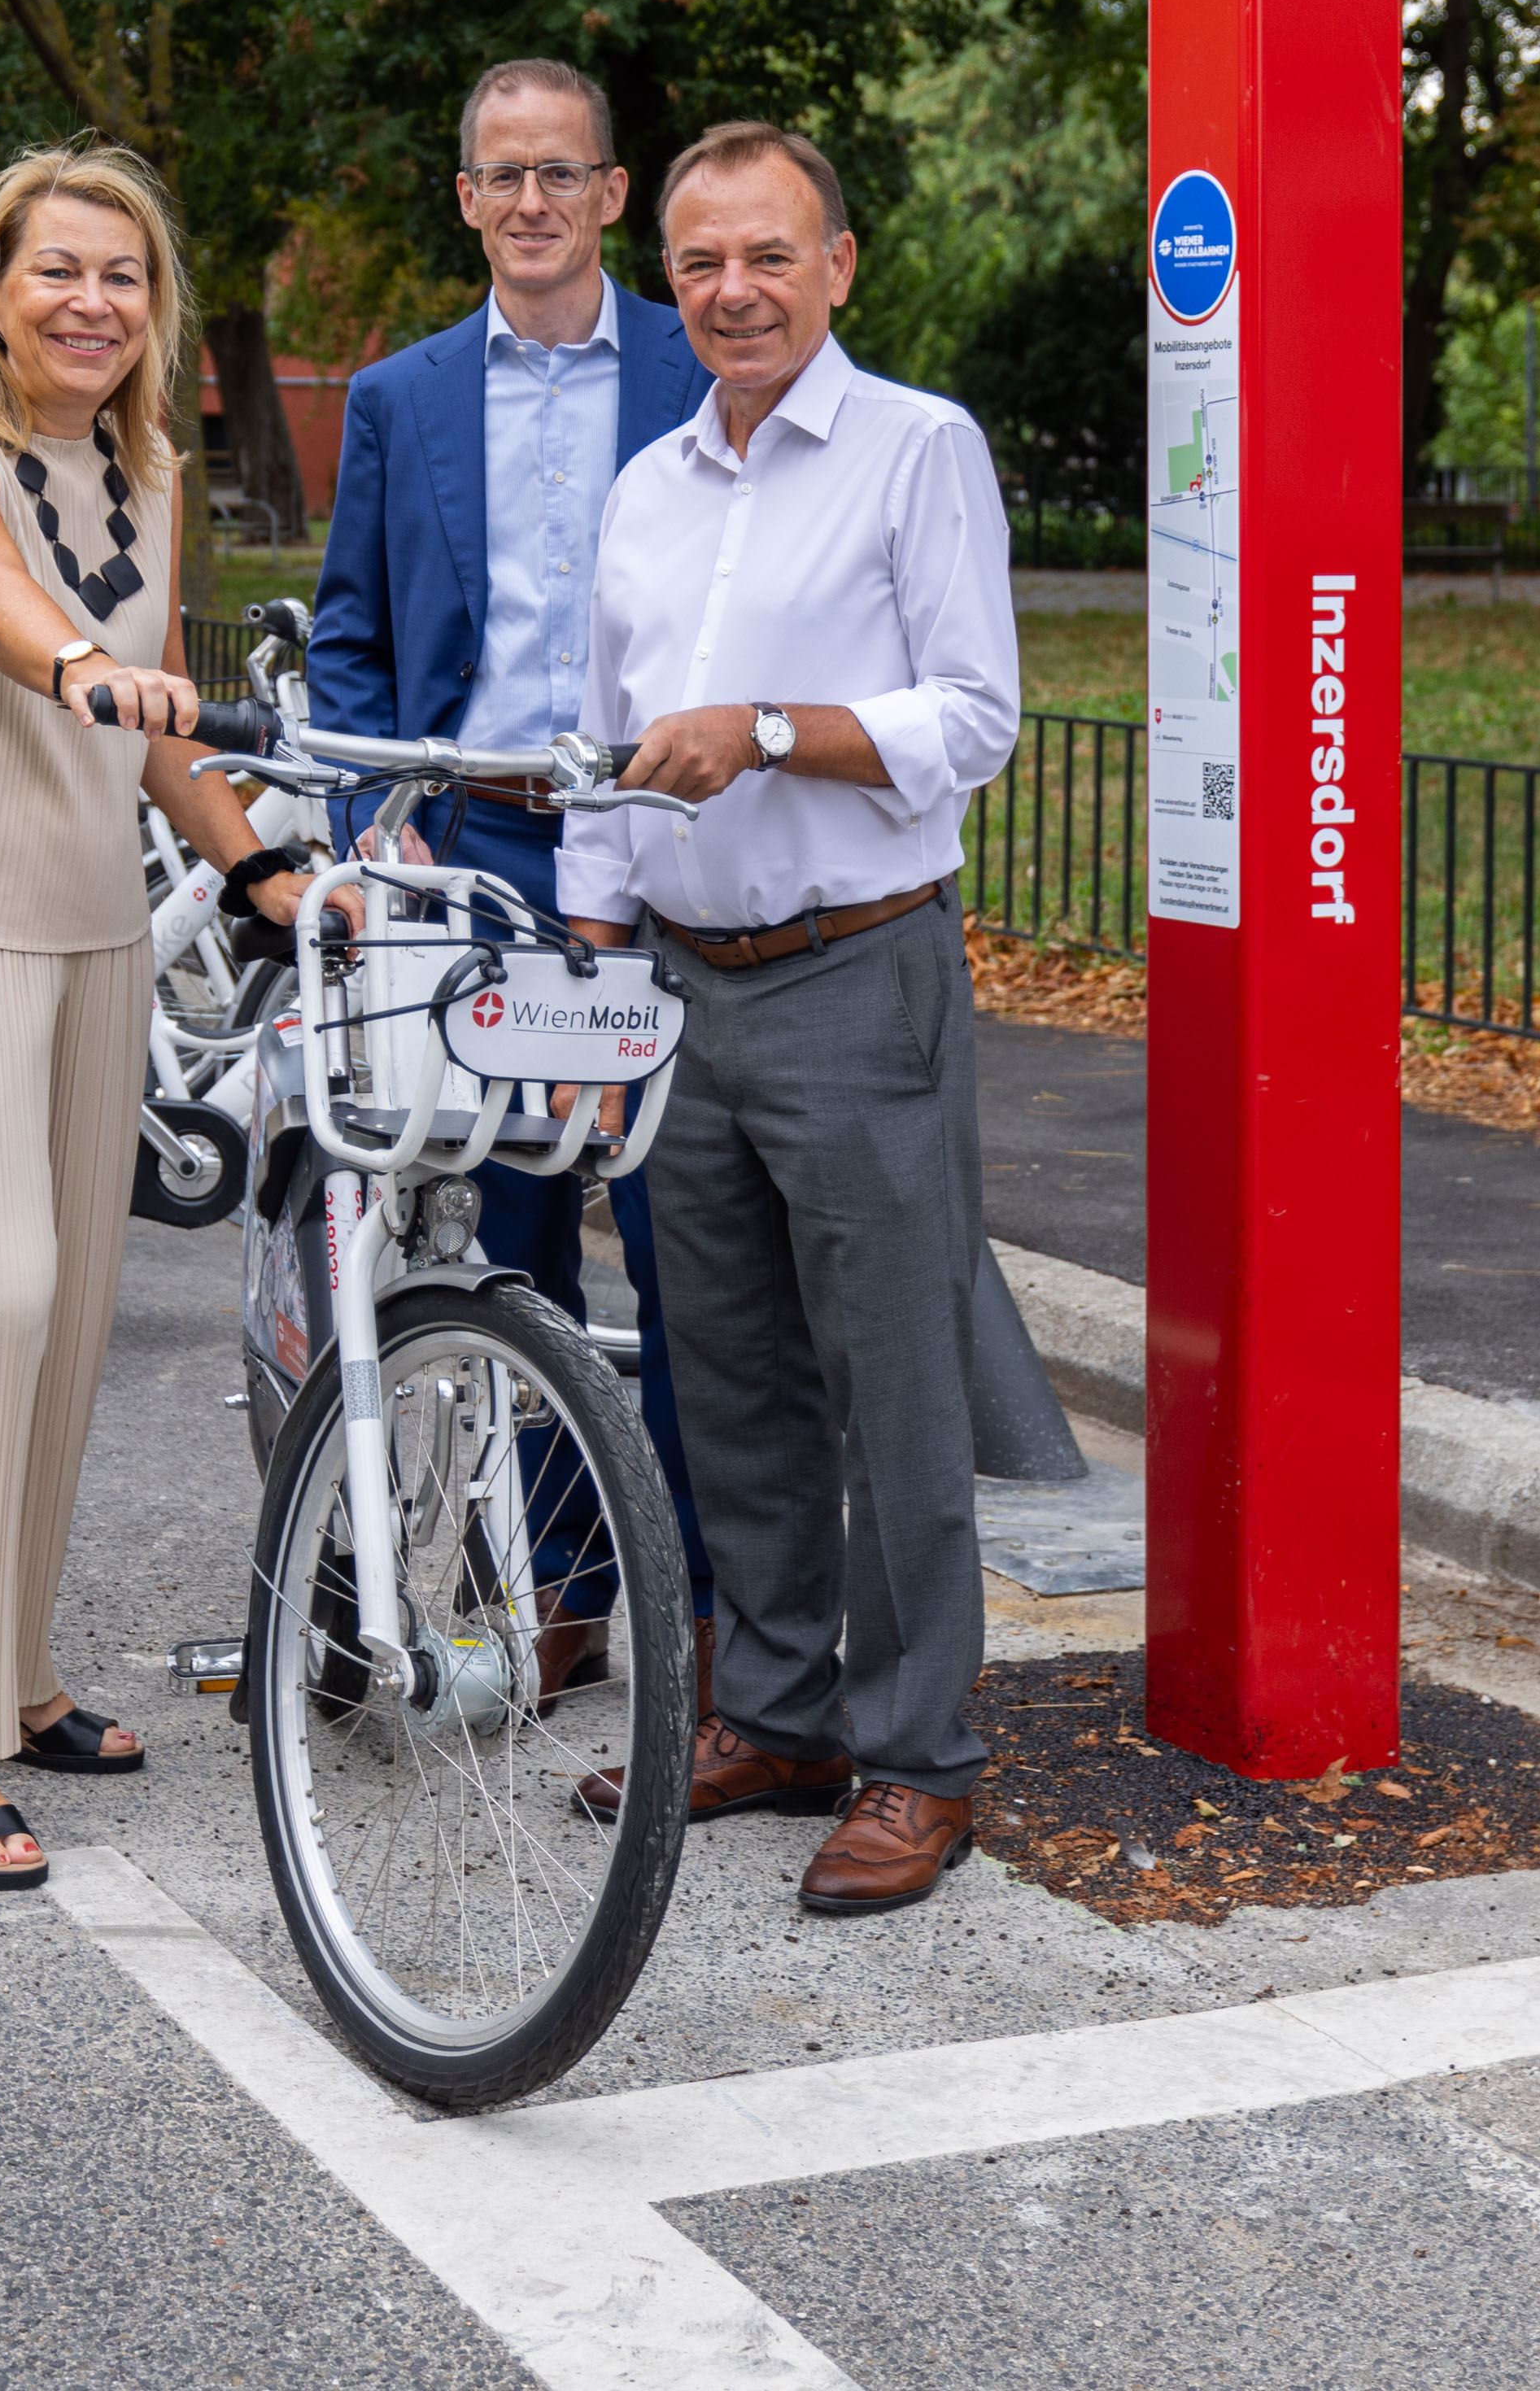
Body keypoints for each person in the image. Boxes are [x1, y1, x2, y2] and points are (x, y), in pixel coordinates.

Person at [0, 142, 315, 1891]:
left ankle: (13, 1673)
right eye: (57, 269)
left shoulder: (146, 469)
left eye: (121, 275)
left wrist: (256, 863)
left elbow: (162, 727)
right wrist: (84, 666)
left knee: (68, 1320)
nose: (91, 300)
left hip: (94, 932)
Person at [562, 123, 1019, 1918]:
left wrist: (765, 727)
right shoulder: (648, 487)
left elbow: (972, 717)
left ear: (839, 262)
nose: (733, 291)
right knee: (729, 1379)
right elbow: (605, 743)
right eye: (698, 264)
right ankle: (776, 1711)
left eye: (768, 254)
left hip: (857, 972)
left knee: (893, 1380)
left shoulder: (920, 450)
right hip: (684, 984)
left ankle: (920, 1760)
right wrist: (600, 963)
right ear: (665, 281)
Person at [308, 55, 716, 1691]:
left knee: (693, 1246)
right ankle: (568, 1595)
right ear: (465, 197)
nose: (533, 200)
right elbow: (351, 640)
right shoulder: (399, 399)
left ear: (615, 193)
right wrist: (369, 827)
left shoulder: (707, 366)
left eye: (564, 172)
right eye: (503, 174)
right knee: (522, 1248)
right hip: (478, 858)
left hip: (675, 851)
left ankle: (711, 1619)